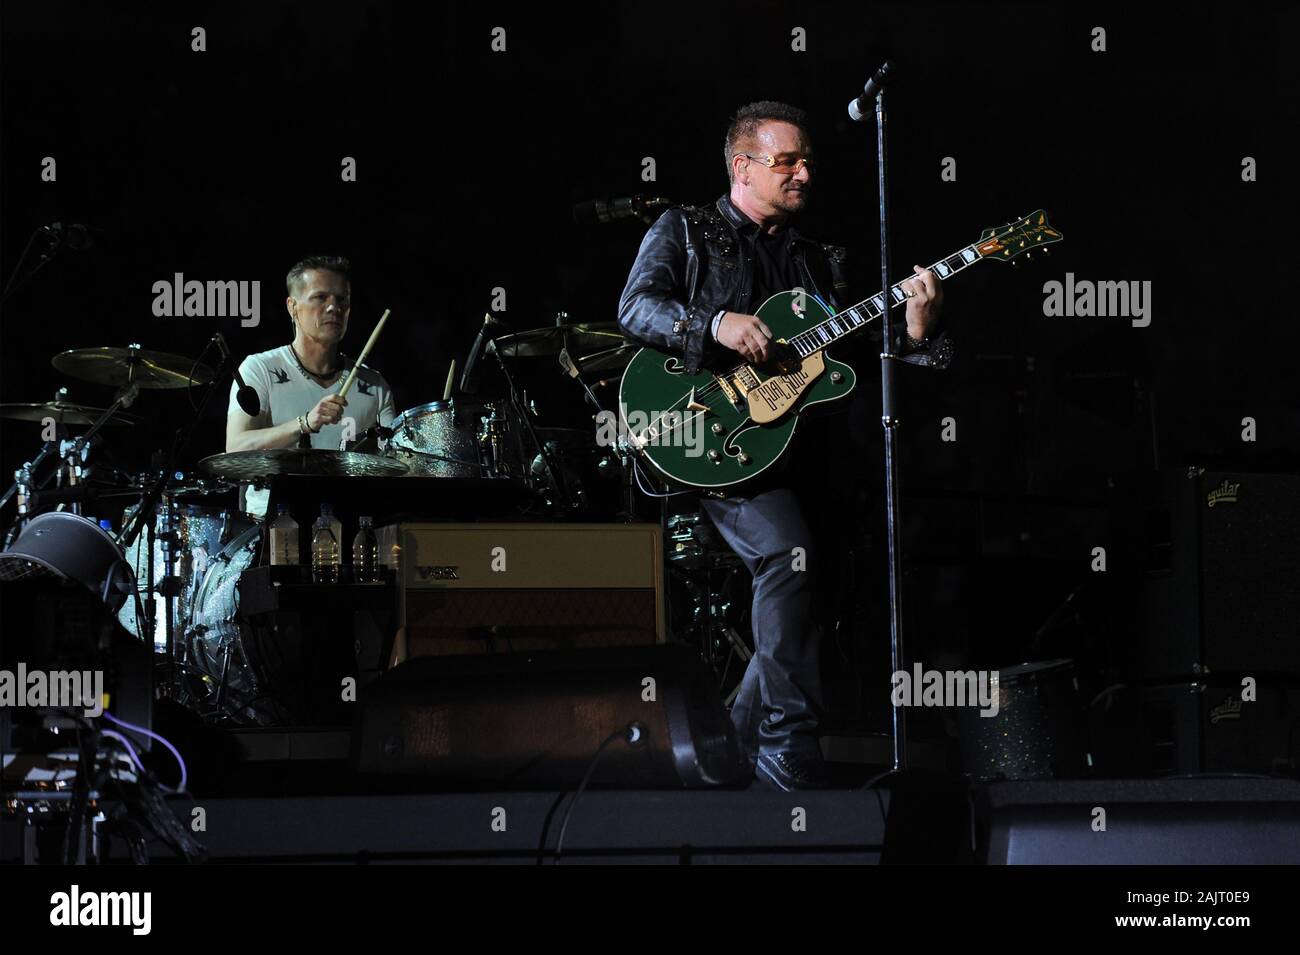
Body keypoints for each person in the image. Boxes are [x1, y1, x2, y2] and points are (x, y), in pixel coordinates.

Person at [618, 101, 952, 790]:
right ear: (742, 167)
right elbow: (635, 308)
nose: (804, 172)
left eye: (807, 161)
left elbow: (851, 360)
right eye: (786, 161)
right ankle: (787, 742)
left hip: (798, 457)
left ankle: (725, 752)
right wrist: (714, 323)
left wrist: (916, 334)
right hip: (707, 434)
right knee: (787, 555)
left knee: (815, 587)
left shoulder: (817, 260)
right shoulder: (686, 228)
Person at [226, 255, 396, 517]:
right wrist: (304, 423)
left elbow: (396, 464)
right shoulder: (258, 368)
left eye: (342, 300)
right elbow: (236, 447)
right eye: (320, 298)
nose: (333, 308)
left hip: (353, 523)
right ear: (292, 307)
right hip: (275, 525)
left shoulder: (374, 385)